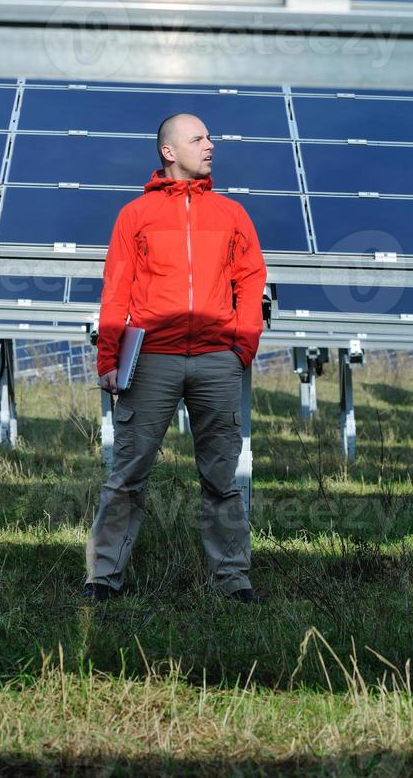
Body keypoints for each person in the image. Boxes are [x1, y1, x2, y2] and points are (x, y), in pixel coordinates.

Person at [82, 113, 267, 603]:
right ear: (169, 151)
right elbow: (116, 290)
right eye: (198, 138)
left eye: (209, 137)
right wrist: (109, 358)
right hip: (151, 361)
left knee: (223, 477)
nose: (211, 145)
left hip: (216, 361)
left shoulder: (231, 215)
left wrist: (242, 345)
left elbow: (251, 279)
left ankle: (233, 580)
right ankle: (103, 578)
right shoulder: (135, 216)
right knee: (127, 475)